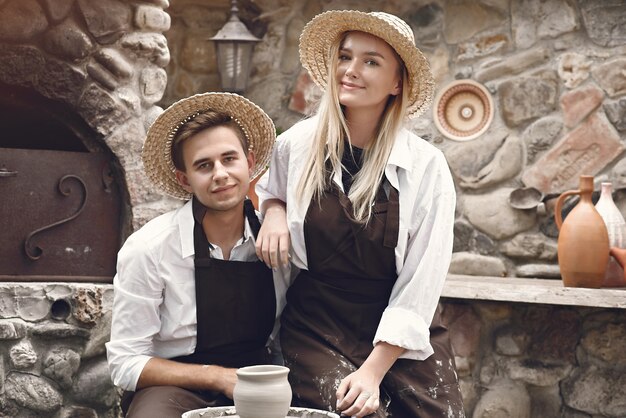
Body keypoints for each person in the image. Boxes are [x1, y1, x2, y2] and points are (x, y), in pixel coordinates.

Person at [255, 10, 465, 418]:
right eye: (345, 57)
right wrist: (274, 209)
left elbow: (422, 280)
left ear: (397, 82)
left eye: (371, 61)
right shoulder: (295, 145)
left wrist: (373, 370)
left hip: (400, 327)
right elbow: (269, 190)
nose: (350, 71)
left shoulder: (426, 166)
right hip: (317, 325)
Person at [106, 92, 290, 418]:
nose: (220, 173)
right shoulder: (149, 248)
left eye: (229, 159)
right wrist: (217, 377)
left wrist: (277, 210)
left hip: (257, 381)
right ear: (184, 179)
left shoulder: (278, 238)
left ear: (249, 162)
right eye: (204, 165)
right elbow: (125, 363)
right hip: (174, 387)